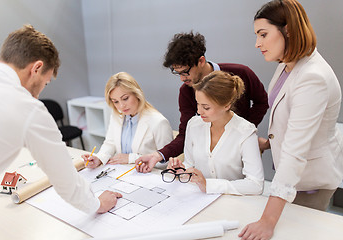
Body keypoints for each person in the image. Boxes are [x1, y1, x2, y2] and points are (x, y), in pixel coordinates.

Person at [0, 25, 122, 214]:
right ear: (37, 68)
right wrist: (98, 204)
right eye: (45, 83)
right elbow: (66, 181)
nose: (39, 94)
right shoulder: (27, 107)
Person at [239, 1, 343, 239]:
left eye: (263, 34)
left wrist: (267, 221)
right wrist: (268, 143)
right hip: (292, 176)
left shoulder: (313, 77)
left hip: (309, 182)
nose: (257, 43)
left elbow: (296, 151)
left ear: (288, 30)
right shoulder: (288, 64)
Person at [136, 31, 269, 173]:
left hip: (238, 154)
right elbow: (185, 133)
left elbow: (261, 102)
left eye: (185, 72)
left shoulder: (241, 73)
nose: (182, 78)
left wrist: (242, 133)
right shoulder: (186, 91)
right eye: (177, 73)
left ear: (201, 61)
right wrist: (158, 155)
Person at [168, 71, 264, 195]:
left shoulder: (245, 132)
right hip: (198, 199)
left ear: (226, 105)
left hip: (232, 203)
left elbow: (256, 185)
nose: (199, 111)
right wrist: (181, 171)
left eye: (206, 107)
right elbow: (190, 164)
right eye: (198, 103)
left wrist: (209, 185)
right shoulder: (194, 125)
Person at [82, 72, 173, 169]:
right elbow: (110, 143)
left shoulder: (158, 122)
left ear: (137, 94)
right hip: (122, 173)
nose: (121, 106)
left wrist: (131, 158)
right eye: (116, 101)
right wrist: (99, 158)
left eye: (125, 98)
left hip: (147, 177)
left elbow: (166, 161)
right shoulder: (117, 115)